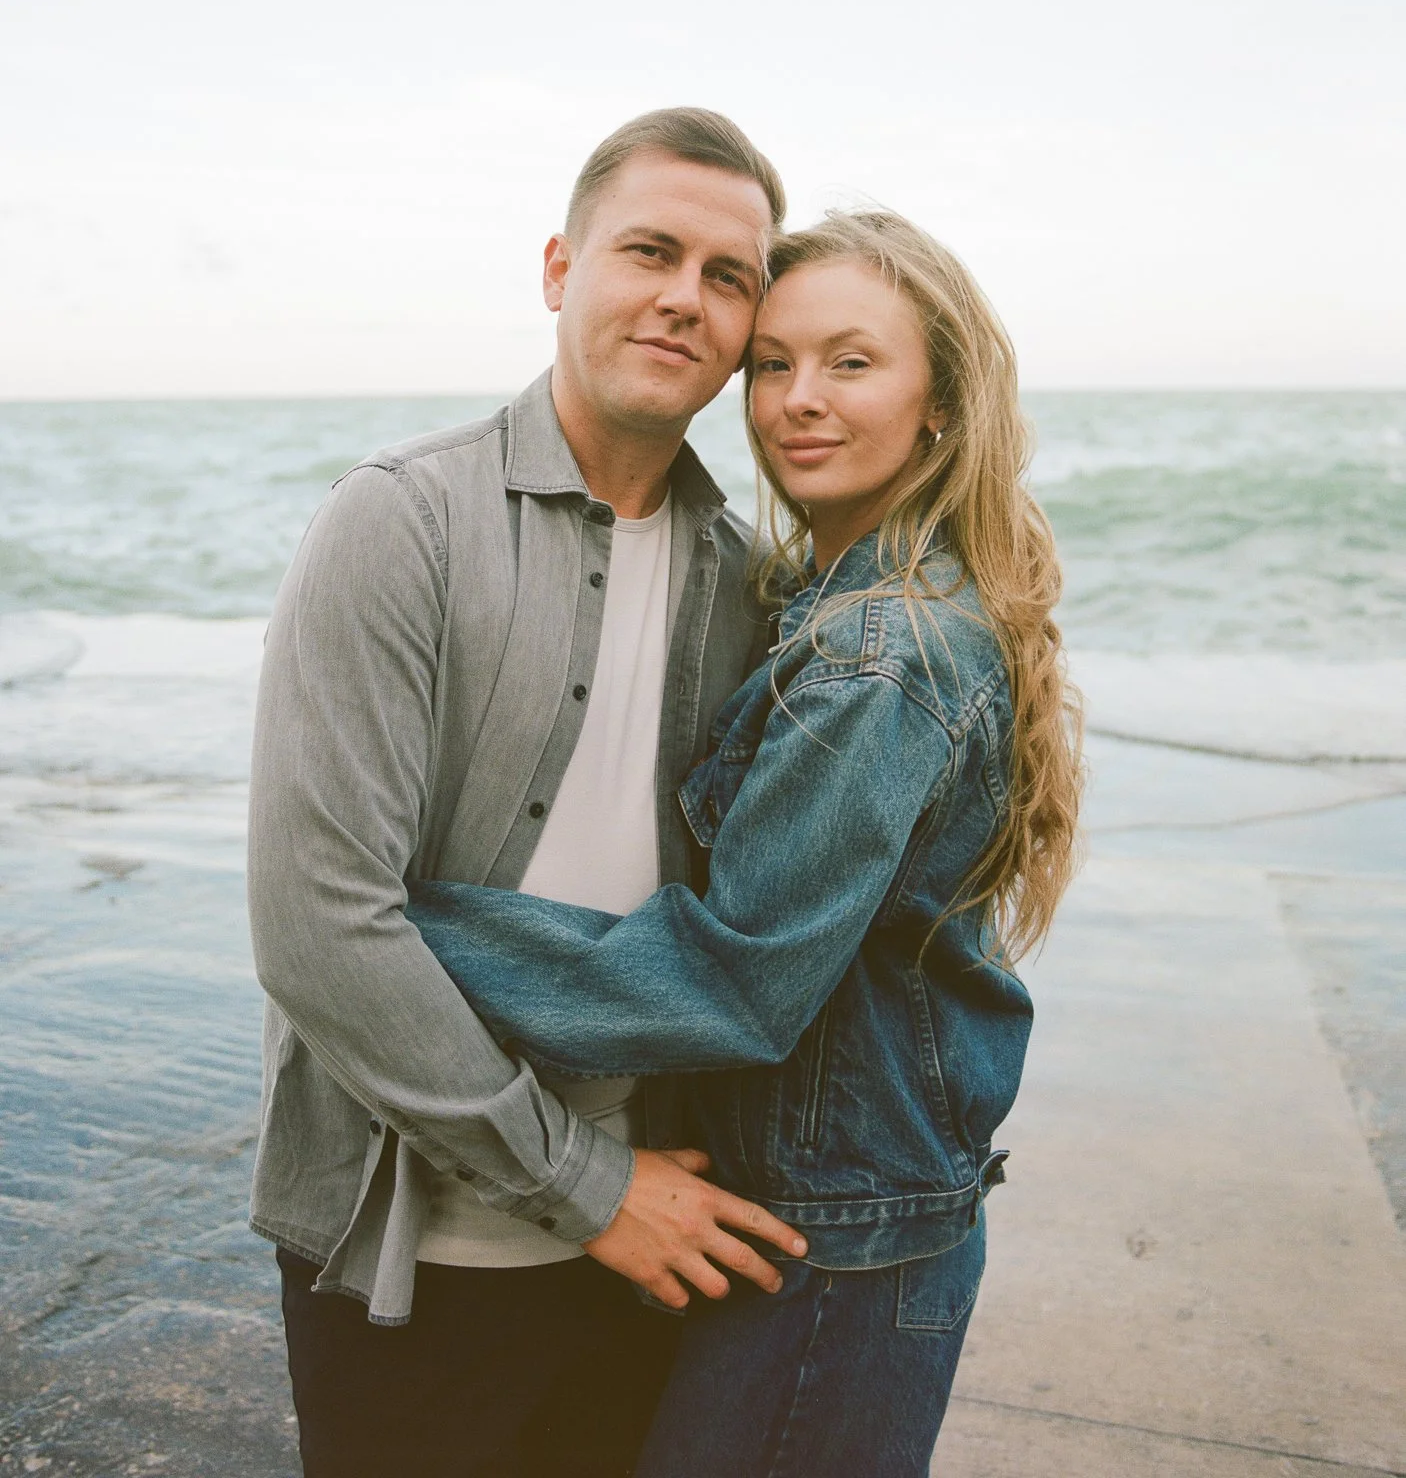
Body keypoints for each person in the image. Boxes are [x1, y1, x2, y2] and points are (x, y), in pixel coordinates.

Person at [409, 209, 1085, 1478]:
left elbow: (734, 980)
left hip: (836, 1245)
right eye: (772, 363)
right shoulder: (837, 605)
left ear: (939, 398)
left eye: (850, 362)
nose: (794, 402)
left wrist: (402, 922)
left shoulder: (876, 656)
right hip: (829, 1214)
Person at [245, 108, 811, 1478]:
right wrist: (586, 1188)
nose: (684, 297)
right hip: (412, 1246)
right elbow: (320, 925)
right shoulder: (400, 519)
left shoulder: (744, 583)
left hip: (651, 1238)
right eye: (650, 252)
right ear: (562, 267)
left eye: (727, 276)